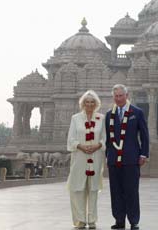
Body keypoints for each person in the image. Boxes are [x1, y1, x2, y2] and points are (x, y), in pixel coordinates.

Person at [105, 84, 149, 230]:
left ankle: (134, 220)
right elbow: (107, 138)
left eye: (121, 96)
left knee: (131, 190)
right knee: (115, 191)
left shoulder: (137, 112)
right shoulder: (108, 115)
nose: (118, 99)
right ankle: (119, 220)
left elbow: (144, 135)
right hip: (114, 159)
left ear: (127, 96)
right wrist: (107, 155)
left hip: (131, 158)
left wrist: (144, 153)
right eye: (116, 96)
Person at [67, 90, 106, 229]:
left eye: (92, 102)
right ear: (82, 104)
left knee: (93, 189)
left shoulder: (101, 118)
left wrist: (98, 145)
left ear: (96, 104)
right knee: (78, 189)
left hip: (95, 157)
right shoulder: (76, 118)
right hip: (79, 157)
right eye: (87, 102)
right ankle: (80, 220)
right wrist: (80, 146)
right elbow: (71, 139)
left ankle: (92, 220)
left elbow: (105, 137)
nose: (89, 104)